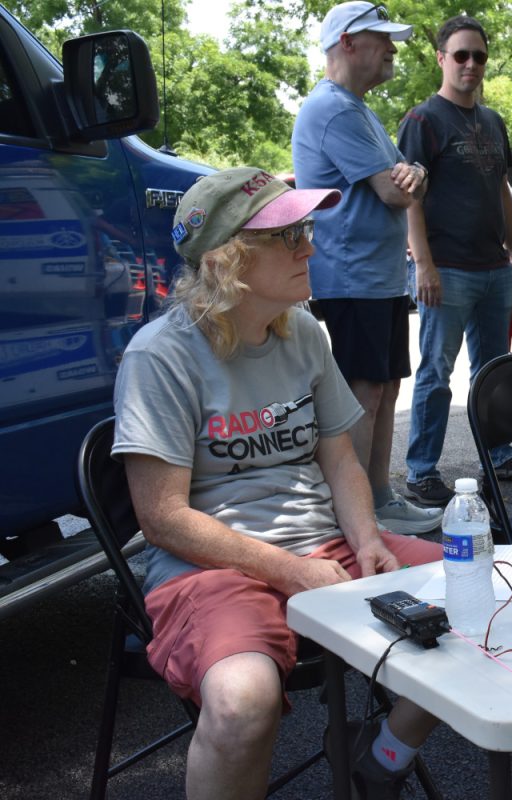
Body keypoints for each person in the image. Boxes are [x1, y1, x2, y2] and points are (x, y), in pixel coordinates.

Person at [112, 168, 444, 799]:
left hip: (325, 549)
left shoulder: (304, 332)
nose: (310, 248)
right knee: (241, 706)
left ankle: (382, 755)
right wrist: (291, 572)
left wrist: (368, 539)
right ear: (226, 260)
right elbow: (162, 519)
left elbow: (340, 459)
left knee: (485, 601)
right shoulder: (160, 356)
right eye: (288, 235)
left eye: (306, 230)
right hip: (210, 569)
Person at [291, 0, 441, 534]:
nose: (393, 48)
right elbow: (397, 192)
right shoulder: (334, 110)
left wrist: (415, 174)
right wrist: (411, 177)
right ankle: (356, 514)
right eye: (383, 38)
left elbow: (412, 180)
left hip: (376, 278)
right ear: (348, 43)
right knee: (363, 396)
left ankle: (379, 498)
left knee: (385, 388)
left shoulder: (356, 109)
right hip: (352, 276)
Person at [396, 14, 512, 507]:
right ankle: (421, 470)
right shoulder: (422, 120)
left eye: (479, 56)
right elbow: (408, 196)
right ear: (441, 59)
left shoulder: (493, 121)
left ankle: (497, 454)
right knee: (436, 373)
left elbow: (502, 190)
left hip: (493, 270)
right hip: (446, 270)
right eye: (461, 55)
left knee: (493, 372)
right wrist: (423, 264)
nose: (471, 64)